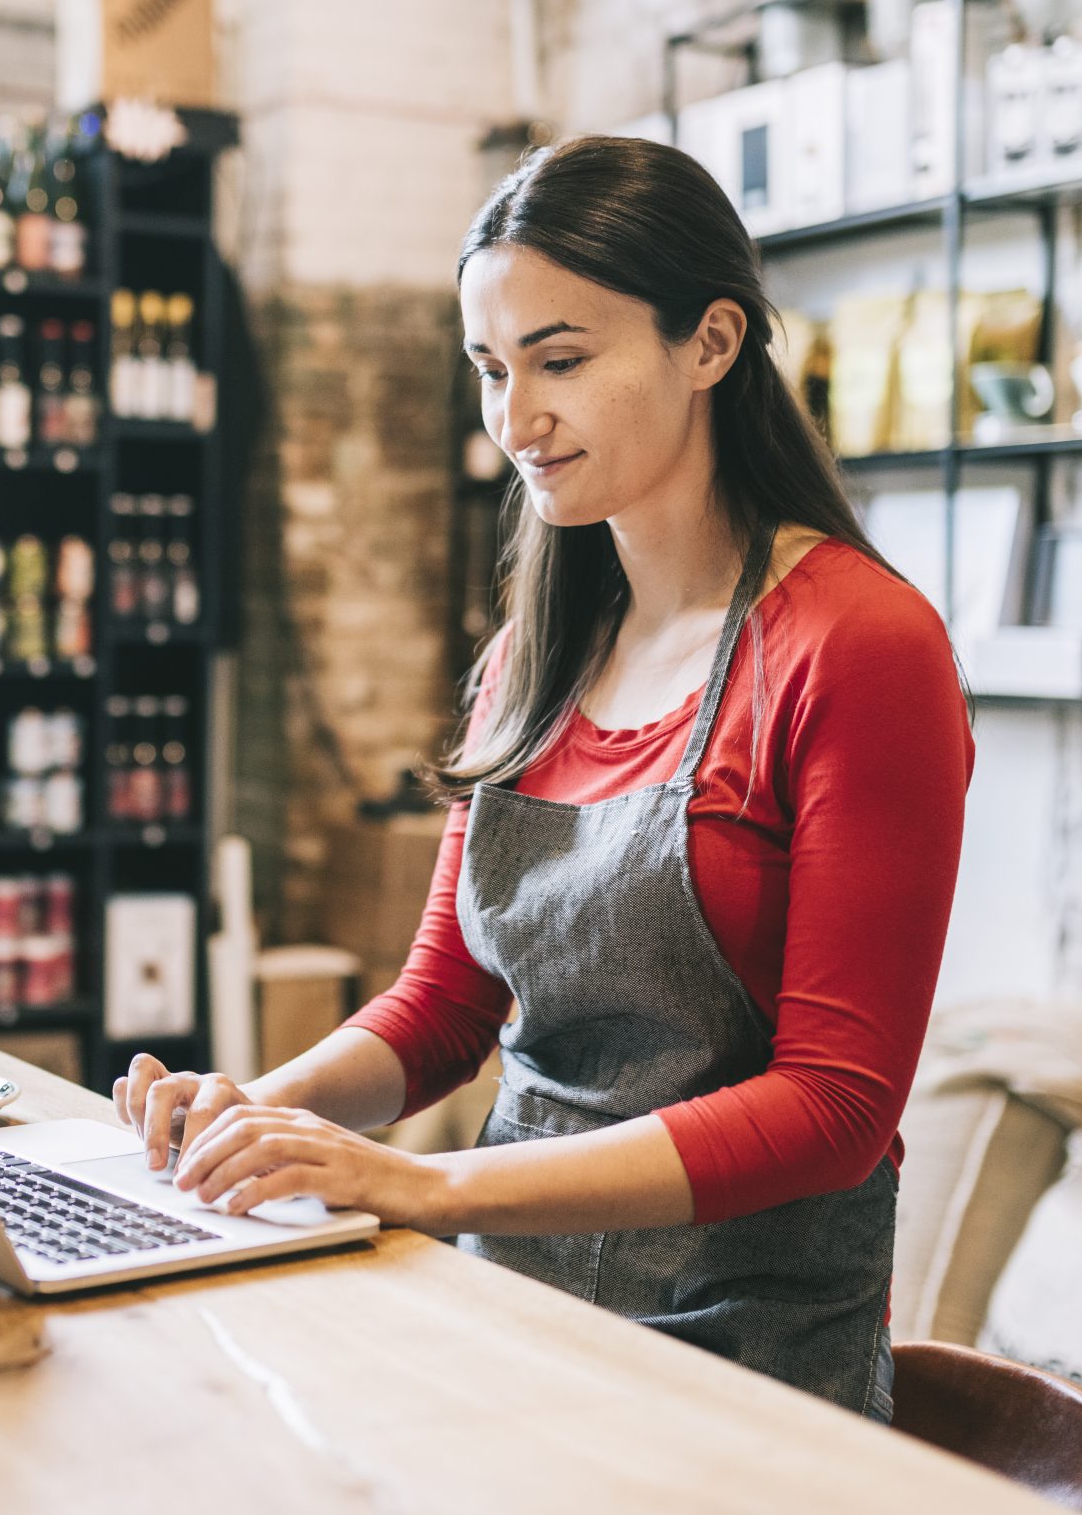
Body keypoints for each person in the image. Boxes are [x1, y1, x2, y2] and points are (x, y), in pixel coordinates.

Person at [112, 134, 973, 1422]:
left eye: (561, 361)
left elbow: (834, 1108)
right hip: (507, 1318)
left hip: (741, 1373)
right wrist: (260, 1114)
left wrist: (428, 1187)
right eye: (491, 370)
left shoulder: (860, 646)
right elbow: (443, 1007)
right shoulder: (534, 652)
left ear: (712, 345)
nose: (517, 420)